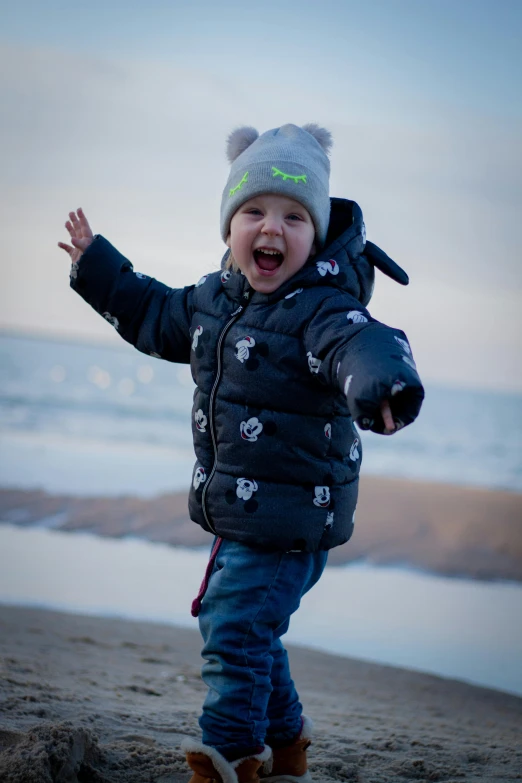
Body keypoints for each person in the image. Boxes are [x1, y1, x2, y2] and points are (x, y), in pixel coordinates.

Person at [59, 123, 424, 783]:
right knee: (251, 626)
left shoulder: (321, 308)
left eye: (293, 216)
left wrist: (383, 388)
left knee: (233, 626)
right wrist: (98, 266)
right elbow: (153, 314)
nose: (272, 228)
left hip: (291, 522)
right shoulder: (213, 301)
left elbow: (362, 344)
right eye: (253, 210)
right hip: (242, 514)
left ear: (314, 234)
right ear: (230, 225)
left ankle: (228, 756)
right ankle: (288, 746)